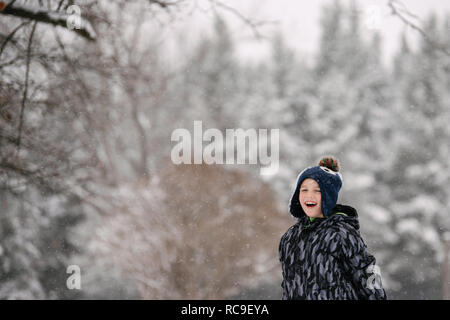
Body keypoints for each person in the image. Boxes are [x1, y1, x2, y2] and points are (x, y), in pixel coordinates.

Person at [279, 156, 387, 300]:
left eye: (317, 191)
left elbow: (367, 274)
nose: (309, 196)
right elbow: (289, 286)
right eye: (304, 190)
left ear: (328, 196)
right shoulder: (290, 238)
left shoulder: (341, 233)